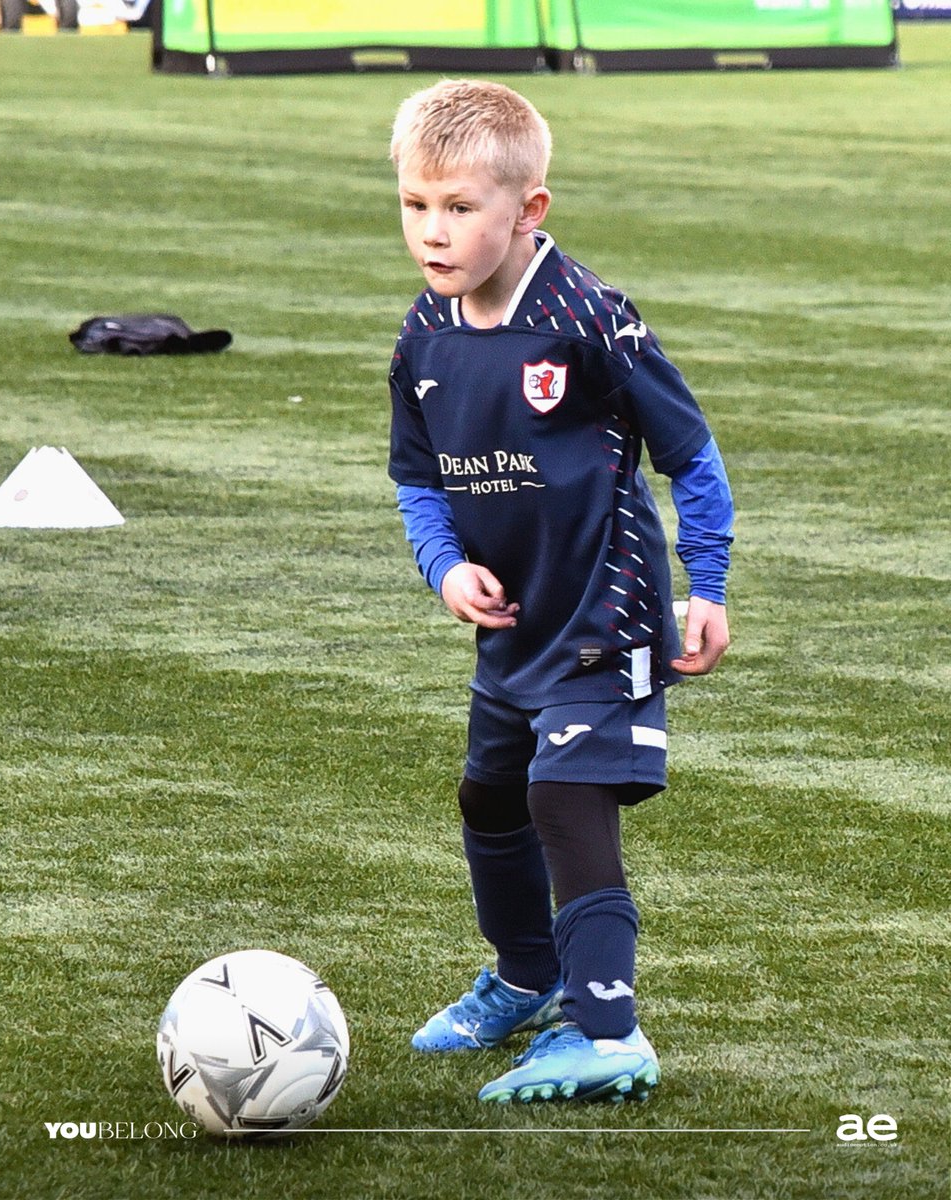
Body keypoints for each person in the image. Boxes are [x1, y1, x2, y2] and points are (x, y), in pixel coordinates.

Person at [387, 79, 733, 1105]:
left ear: (527, 208)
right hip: (513, 631)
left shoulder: (589, 318)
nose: (433, 232)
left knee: (561, 795)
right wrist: (445, 566)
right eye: (415, 205)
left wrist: (704, 583)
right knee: (488, 797)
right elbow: (416, 478)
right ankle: (527, 976)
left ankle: (608, 1028)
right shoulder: (422, 333)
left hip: (608, 612)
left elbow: (692, 455)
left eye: (460, 208)